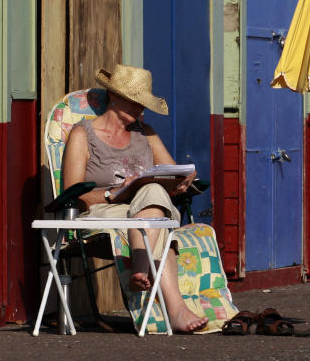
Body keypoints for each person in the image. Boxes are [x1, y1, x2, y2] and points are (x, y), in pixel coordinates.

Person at [62, 64, 208, 333]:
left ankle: (140, 269)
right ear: (114, 97)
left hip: (148, 211)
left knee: (152, 193)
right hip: (105, 213)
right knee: (159, 224)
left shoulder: (147, 133)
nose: (142, 108)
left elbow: (172, 174)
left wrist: (184, 178)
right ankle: (176, 309)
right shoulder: (84, 135)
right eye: (135, 101)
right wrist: (115, 193)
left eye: (144, 103)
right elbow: (72, 192)